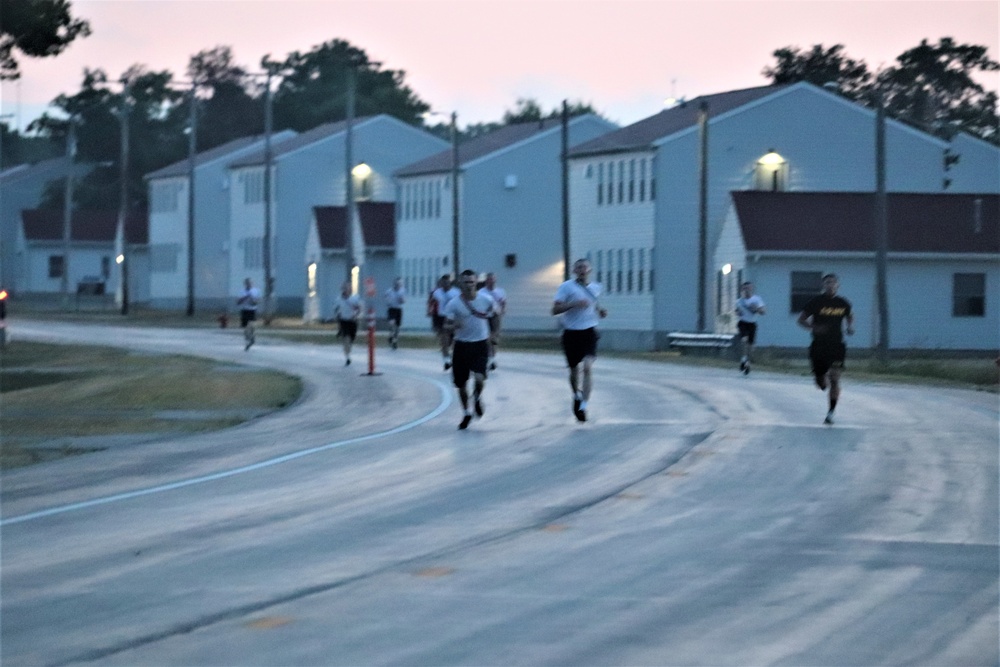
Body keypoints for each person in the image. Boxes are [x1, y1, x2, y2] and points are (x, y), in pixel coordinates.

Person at [552, 258, 608, 422]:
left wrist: (601, 312)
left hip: (589, 332)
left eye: (585, 267)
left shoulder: (596, 288)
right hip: (571, 333)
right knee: (574, 370)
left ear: (589, 270)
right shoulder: (566, 287)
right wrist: (574, 304)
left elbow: (595, 305)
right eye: (579, 268)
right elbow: (555, 309)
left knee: (588, 367)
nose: (582, 270)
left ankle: (584, 405)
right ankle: (576, 395)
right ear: (574, 271)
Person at [797, 273, 854, 425]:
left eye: (833, 283)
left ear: (837, 285)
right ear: (823, 285)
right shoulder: (816, 302)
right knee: (821, 383)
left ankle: (831, 412)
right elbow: (801, 320)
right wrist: (814, 327)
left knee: (835, 378)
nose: (830, 285)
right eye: (827, 282)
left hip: (837, 345)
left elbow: (849, 316)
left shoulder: (843, 303)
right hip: (819, 345)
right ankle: (821, 379)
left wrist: (849, 327)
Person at [442, 269, 496, 430]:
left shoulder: (486, 300)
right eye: (465, 282)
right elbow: (446, 325)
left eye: (471, 282)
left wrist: (495, 334)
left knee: (479, 378)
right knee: (461, 384)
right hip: (461, 345)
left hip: (480, 344)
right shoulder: (454, 303)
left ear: (476, 283)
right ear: (461, 284)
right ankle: (466, 412)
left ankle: (477, 397)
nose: (469, 285)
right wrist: (454, 325)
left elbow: (496, 315)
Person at [428, 274, 461, 370]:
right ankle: (446, 360)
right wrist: (430, 310)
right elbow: (432, 301)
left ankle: (451, 355)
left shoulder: (456, 292)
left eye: (447, 282)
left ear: (450, 282)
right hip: (441, 317)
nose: (445, 284)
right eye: (443, 282)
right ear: (441, 283)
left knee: (453, 339)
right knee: (444, 339)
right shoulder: (436, 292)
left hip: (452, 317)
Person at [734, 281, 766, 375]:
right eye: (745, 288)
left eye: (748, 288)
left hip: (752, 323)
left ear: (752, 289)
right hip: (743, 323)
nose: (747, 290)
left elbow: (763, 312)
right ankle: (743, 358)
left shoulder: (757, 299)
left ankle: (746, 362)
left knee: (751, 346)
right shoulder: (739, 301)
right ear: (742, 289)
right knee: (744, 340)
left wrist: (756, 309)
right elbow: (737, 311)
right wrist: (738, 313)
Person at [478, 272, 507, 370]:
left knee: (494, 338)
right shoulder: (482, 292)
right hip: (486, 316)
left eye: (492, 279)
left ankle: (492, 359)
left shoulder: (500, 291)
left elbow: (503, 303)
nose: (491, 281)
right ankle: (489, 359)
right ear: (486, 281)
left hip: (496, 315)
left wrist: (502, 310)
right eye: (489, 279)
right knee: (488, 338)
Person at [333, 281, 363, 366]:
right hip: (343, 321)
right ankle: (347, 357)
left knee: (351, 338)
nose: (346, 289)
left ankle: (348, 351)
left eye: (347, 288)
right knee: (346, 338)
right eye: (344, 288)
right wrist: (337, 316)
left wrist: (356, 315)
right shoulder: (338, 300)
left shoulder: (355, 298)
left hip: (352, 321)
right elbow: (336, 309)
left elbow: (359, 308)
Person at [236, 277, 261, 351]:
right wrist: (245, 297)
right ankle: (248, 342)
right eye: (247, 283)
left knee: (251, 326)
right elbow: (238, 302)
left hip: (252, 310)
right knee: (246, 328)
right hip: (244, 310)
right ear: (245, 284)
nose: (249, 284)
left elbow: (257, 301)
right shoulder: (242, 291)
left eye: (250, 283)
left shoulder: (256, 291)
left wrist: (253, 300)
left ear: (252, 284)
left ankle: (252, 338)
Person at [384, 277, 406, 350]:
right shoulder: (389, 291)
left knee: (397, 327)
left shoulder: (402, 291)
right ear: (394, 284)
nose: (398, 285)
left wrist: (401, 299)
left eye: (399, 284)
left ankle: (394, 341)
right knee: (391, 323)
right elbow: (386, 298)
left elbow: (403, 301)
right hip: (391, 309)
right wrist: (388, 301)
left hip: (398, 309)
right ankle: (391, 335)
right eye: (397, 283)